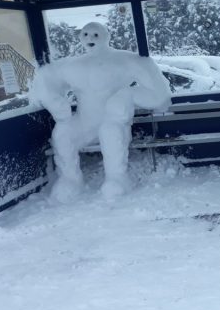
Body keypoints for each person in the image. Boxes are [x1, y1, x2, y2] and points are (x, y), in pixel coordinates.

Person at [32, 21, 171, 201]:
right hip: (85, 122)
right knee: (62, 133)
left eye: (95, 34)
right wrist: (55, 102)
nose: (90, 38)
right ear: (80, 38)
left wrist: (127, 95)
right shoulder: (72, 66)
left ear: (106, 36)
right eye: (86, 34)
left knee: (110, 131)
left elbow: (160, 96)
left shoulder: (125, 60)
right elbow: (45, 79)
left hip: (114, 121)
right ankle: (70, 179)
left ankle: (117, 178)